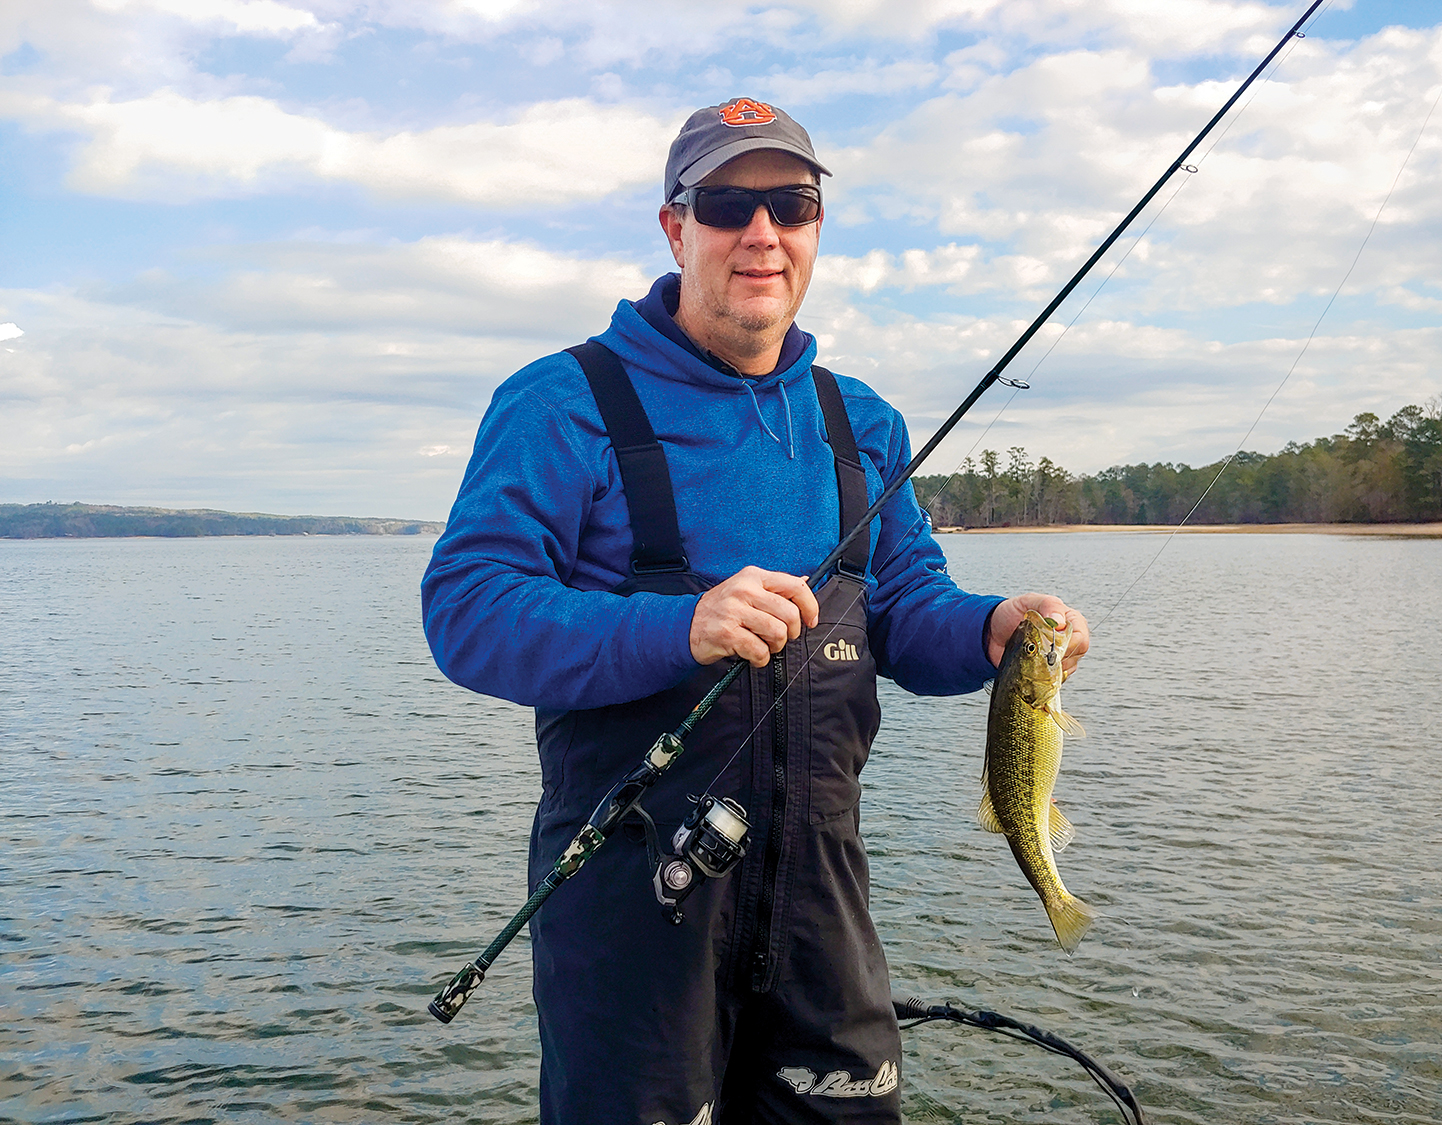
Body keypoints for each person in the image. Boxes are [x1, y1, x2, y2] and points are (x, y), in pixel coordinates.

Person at [422, 97, 1089, 1125]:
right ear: (675, 225)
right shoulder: (561, 403)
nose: (762, 233)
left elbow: (907, 607)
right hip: (633, 904)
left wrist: (995, 629)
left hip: (823, 898)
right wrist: (675, 627)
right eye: (730, 203)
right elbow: (467, 611)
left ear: (818, 224)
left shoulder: (859, 419)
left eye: (792, 202)